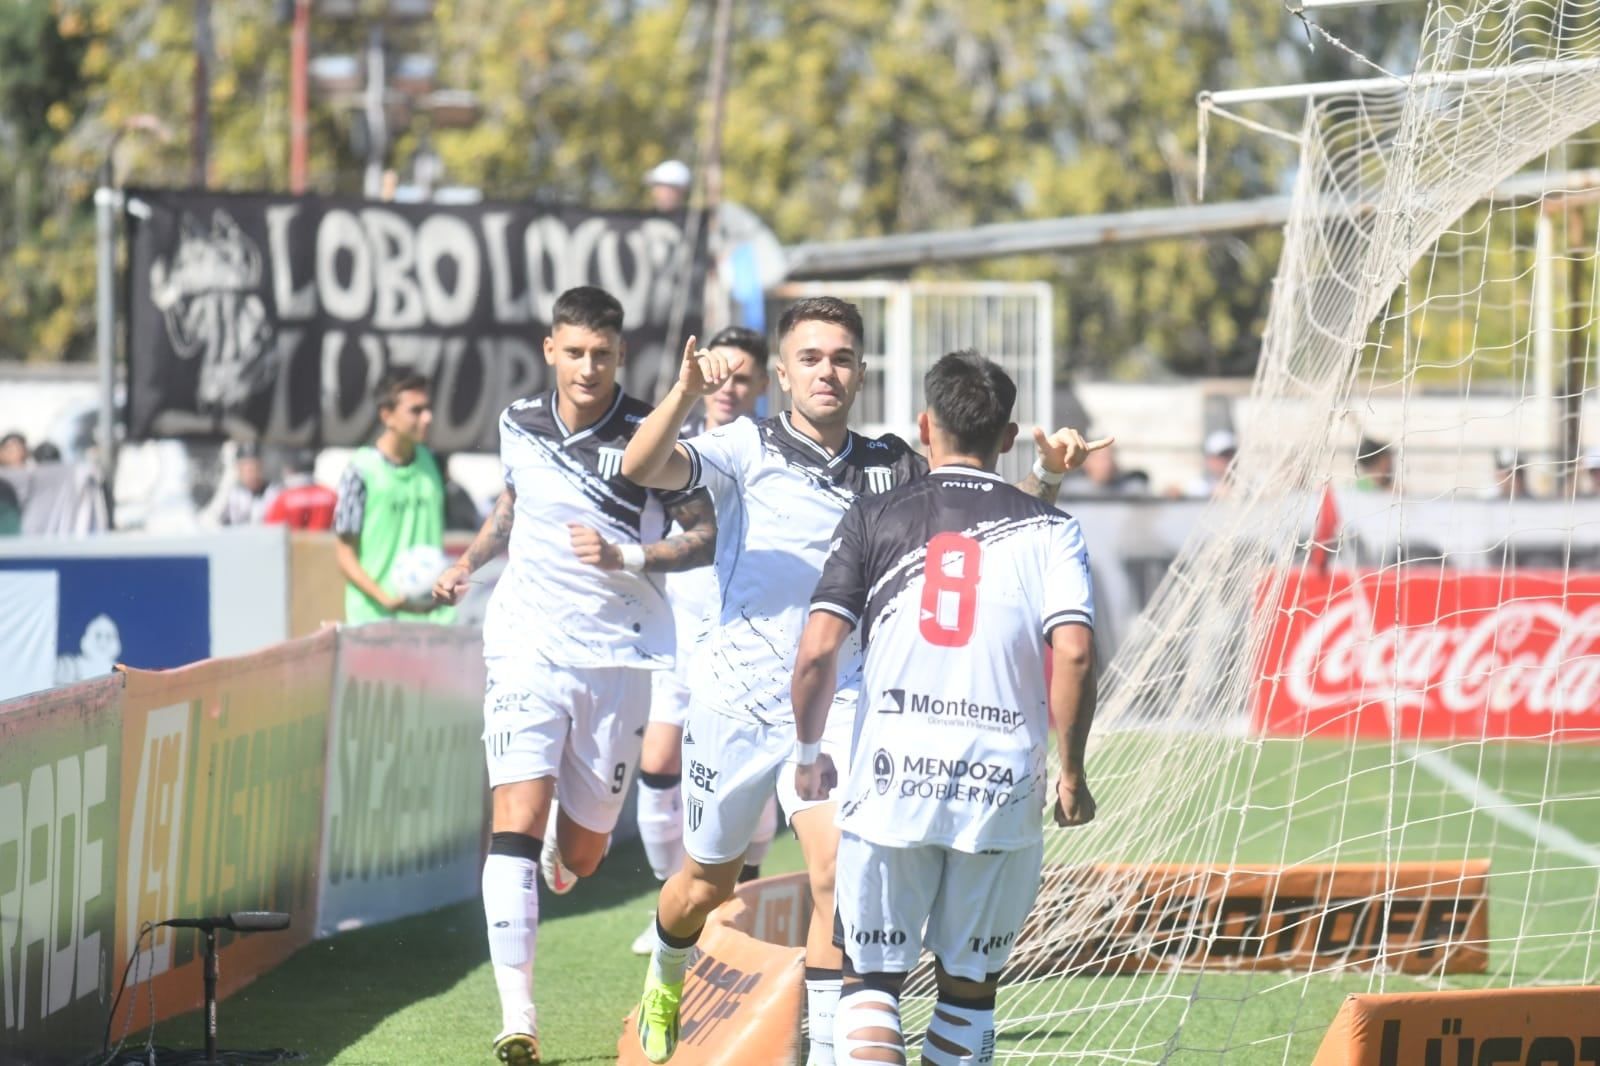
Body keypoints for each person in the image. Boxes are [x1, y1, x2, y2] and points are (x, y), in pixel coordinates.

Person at [624, 295, 1100, 1065]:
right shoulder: (743, 444)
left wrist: (1045, 474)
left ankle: (822, 1050)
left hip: (842, 700)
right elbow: (640, 467)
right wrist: (681, 392)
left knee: (833, 872)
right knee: (703, 886)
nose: (827, 372)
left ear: (863, 372)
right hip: (739, 701)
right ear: (781, 373)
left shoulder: (891, 465)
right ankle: (668, 962)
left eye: (842, 358)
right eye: (810, 358)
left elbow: (987, 530)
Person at [431, 286, 717, 1066]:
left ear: (619, 356)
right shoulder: (517, 422)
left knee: (582, 859)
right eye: (574, 351)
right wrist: (468, 562)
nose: (588, 367)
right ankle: (517, 1016)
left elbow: (702, 536)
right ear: (550, 349)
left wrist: (631, 556)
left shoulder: (654, 437)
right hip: (524, 645)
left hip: (617, 658)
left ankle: (568, 844)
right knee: (512, 826)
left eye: (602, 354)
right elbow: (514, 506)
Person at [788, 350, 1100, 1065]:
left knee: (870, 982)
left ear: (924, 426)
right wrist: (1072, 774)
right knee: (968, 991)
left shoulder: (873, 515)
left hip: (892, 781)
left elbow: (816, 652)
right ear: (1011, 436)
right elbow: (1076, 654)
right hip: (999, 787)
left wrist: (809, 759)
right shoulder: (1051, 529)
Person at [631, 325, 779, 957]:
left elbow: (711, 538)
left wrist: (629, 556)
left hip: (745, 644)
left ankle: (732, 912)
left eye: (744, 377)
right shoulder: (681, 446)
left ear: (763, 387)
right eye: (721, 374)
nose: (729, 387)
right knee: (660, 765)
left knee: (748, 784)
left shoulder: (766, 454)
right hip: (680, 640)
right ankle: (673, 904)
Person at [334, 371, 451, 624]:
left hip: (431, 620)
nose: (427, 418)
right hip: (376, 620)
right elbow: (344, 554)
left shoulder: (434, 463)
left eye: (428, 408)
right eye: (416, 410)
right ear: (387, 415)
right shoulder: (360, 471)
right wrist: (385, 598)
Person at [263, 449, 338, 531]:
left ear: (291, 469)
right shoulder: (331, 495)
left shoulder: (284, 498)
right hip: (327, 543)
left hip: (292, 543)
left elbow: (272, 529)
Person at [218, 441, 280, 525]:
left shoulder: (275, 494)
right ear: (239, 470)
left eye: (255, 468)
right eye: (246, 469)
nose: (251, 474)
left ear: (261, 467)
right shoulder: (232, 495)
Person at [1179, 429, 1237, 499]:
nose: (1229, 460)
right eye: (1223, 455)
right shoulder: (1197, 486)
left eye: (1232, 454)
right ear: (1210, 459)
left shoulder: (1247, 485)